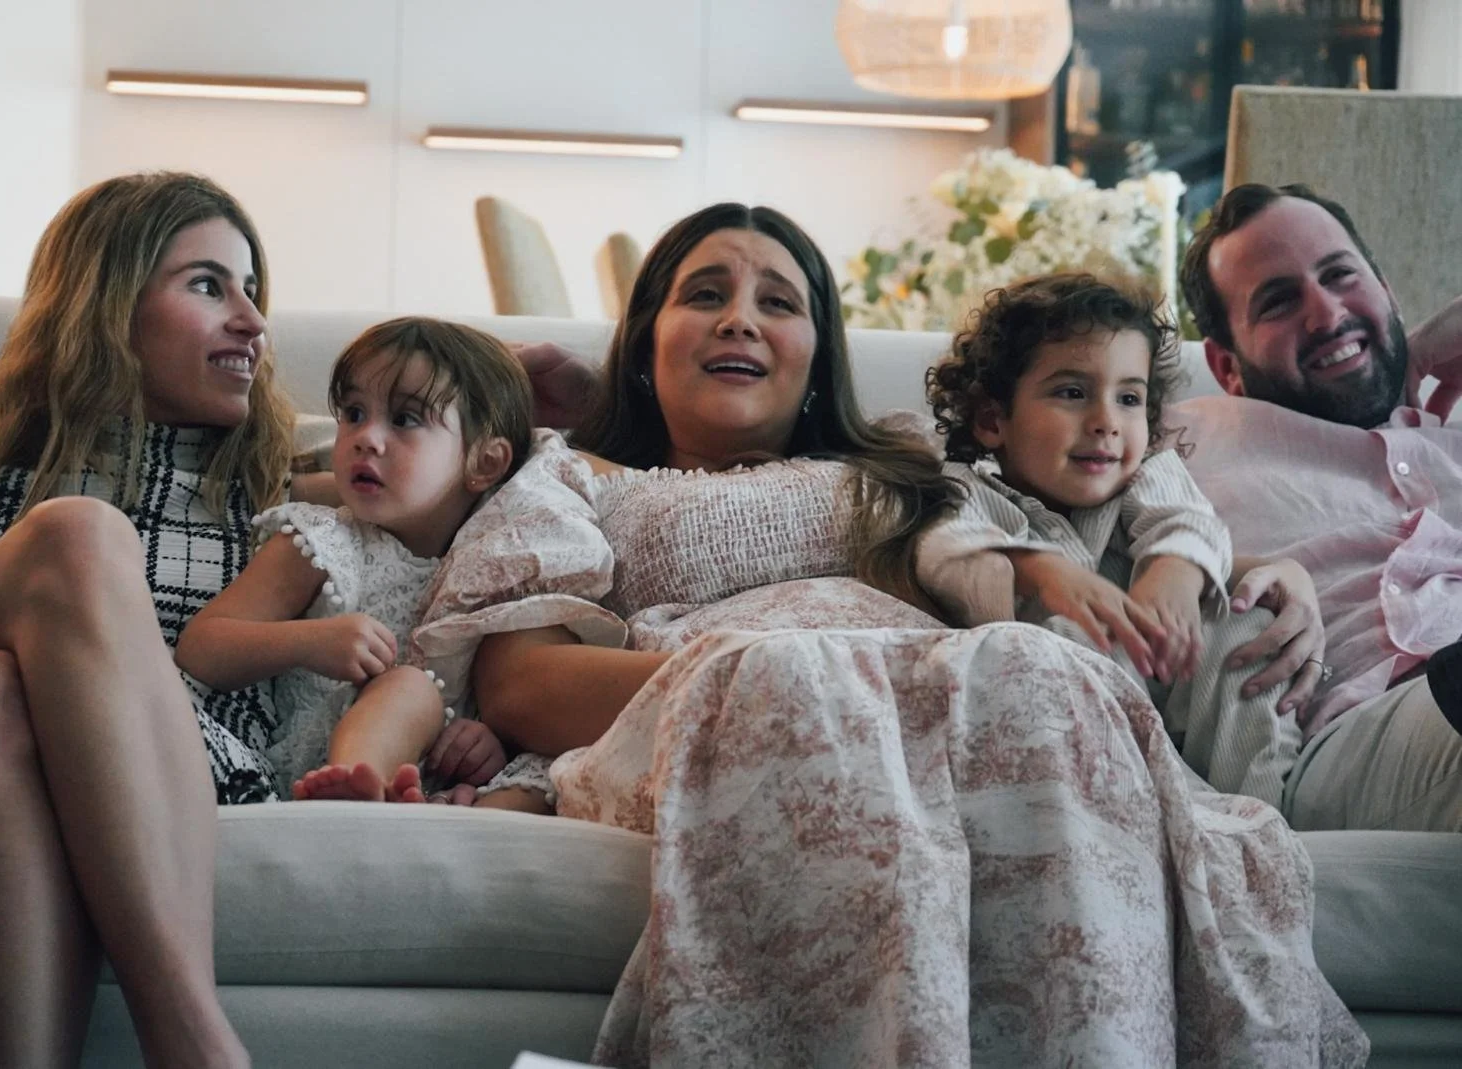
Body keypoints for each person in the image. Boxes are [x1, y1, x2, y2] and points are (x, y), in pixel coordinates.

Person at [413, 202, 1366, 1065]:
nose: (741, 316)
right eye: (705, 294)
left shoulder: (909, 460)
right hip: (738, 698)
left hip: (948, 702)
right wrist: (786, 670)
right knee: (809, 688)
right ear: (644, 340)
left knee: (1040, 668)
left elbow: (1120, 460)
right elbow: (519, 681)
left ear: (819, 352)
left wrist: (1240, 568)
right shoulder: (575, 477)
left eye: (777, 301)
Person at [0, 171, 301, 1067]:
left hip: (174, 760)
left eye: (252, 291)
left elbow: (467, 482)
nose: (253, 322)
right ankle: (190, 1034)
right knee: (72, 535)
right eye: (209, 285)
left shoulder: (278, 492)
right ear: (106, 304)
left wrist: (515, 408)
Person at [919, 273, 1304, 806]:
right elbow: (944, 551)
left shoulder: (1147, 477)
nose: (1106, 421)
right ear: (991, 418)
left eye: (1128, 398)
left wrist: (1173, 571)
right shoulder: (965, 489)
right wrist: (1041, 572)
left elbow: (1188, 520)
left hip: (1176, 688)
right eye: (1072, 393)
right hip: (1077, 755)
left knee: (1242, 622)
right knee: (1062, 636)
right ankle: (1178, 812)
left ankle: (1262, 815)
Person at [1177, 181, 1462, 832]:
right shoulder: (1181, 440)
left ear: (1386, 291)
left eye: (1341, 276)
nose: (1327, 314)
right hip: (1361, 732)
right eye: (1279, 302)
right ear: (1226, 366)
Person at [177, 316, 535, 807]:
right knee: (410, 684)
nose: (366, 437)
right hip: (314, 771)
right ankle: (351, 785)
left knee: (541, 778)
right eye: (353, 412)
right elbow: (201, 647)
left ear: (484, 462)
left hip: (429, 783)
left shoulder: (497, 567)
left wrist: (484, 742)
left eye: (405, 419)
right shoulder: (322, 542)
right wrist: (307, 641)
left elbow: (500, 695)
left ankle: (397, 807)